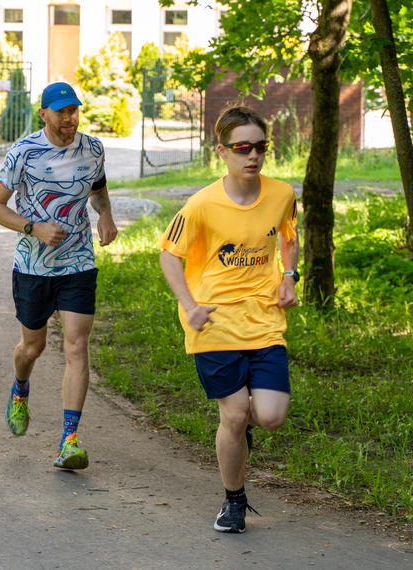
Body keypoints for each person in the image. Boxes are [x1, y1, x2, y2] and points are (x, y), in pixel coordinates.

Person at [158, 104, 299, 533]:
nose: (253, 156)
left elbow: (289, 237)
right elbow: (169, 256)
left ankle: (237, 436)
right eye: (243, 147)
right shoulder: (201, 204)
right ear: (222, 150)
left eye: (260, 147)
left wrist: (289, 277)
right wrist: (189, 305)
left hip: (264, 320)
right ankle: (234, 502)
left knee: (271, 416)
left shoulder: (282, 195)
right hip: (214, 321)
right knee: (235, 416)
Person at [0, 82, 117, 470]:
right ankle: (20, 390)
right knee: (33, 347)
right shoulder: (23, 153)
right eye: (61, 111)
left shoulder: (92, 148)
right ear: (43, 113)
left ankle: (69, 439)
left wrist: (106, 215)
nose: (69, 118)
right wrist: (34, 228)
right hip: (33, 266)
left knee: (77, 346)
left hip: (78, 262)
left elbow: (98, 188)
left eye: (74, 110)